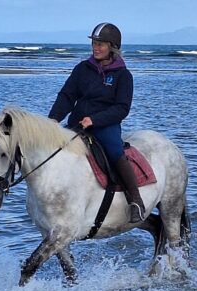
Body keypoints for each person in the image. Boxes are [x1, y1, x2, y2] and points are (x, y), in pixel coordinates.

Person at [48, 22, 145, 223]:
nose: (96, 47)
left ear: (112, 47)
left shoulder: (123, 75)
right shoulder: (82, 69)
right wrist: (52, 120)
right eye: (94, 43)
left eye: (101, 44)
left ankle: (135, 200)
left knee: (115, 151)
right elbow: (67, 96)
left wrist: (95, 119)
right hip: (78, 124)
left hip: (105, 126)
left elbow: (122, 108)